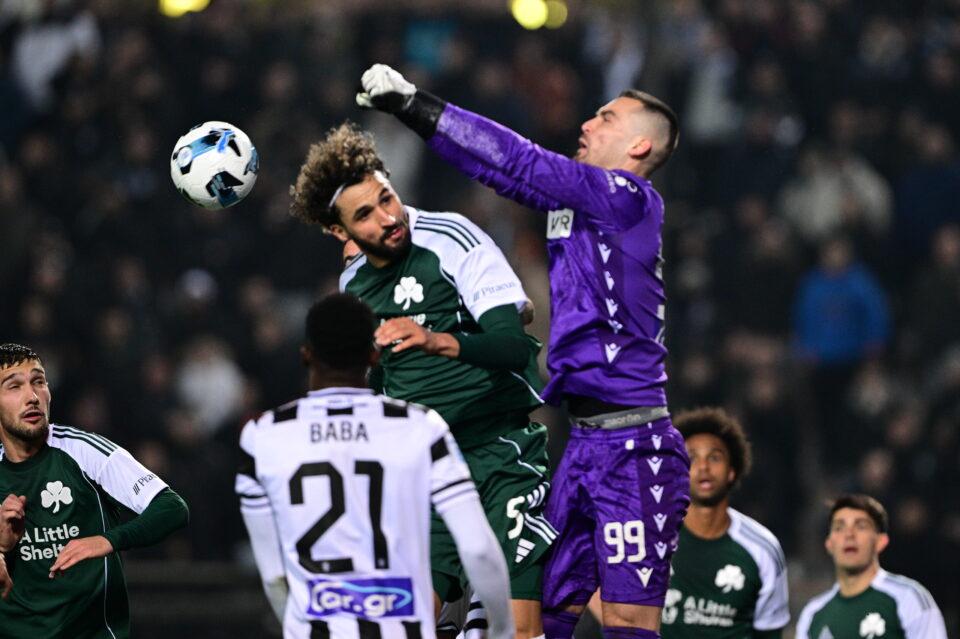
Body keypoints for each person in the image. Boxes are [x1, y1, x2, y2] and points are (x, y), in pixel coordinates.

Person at [357, 64, 690, 638]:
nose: (587, 123)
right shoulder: (580, 203)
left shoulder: (626, 197)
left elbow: (520, 159)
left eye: (606, 118)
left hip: (635, 447)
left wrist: (416, 102)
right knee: (538, 615)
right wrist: (415, 117)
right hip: (583, 443)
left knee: (627, 621)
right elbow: (499, 169)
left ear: (638, 145)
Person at [290, 123, 551, 639]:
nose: (388, 218)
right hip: (424, 470)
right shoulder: (353, 284)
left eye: (386, 198)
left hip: (498, 453)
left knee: (520, 630)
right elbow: (379, 382)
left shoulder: (452, 238)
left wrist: (436, 340)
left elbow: (515, 346)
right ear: (339, 232)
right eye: (365, 214)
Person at [236, 292, 514, 639]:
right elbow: (478, 549)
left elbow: (274, 577)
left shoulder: (262, 437)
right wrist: (502, 629)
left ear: (306, 354)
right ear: (374, 355)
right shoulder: (421, 428)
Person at [0, 343, 189, 638]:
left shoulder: (83, 450)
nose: (33, 396)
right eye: (15, 386)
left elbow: (172, 507)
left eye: (38, 382)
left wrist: (108, 540)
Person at [659, 407, 789, 638]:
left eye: (714, 457)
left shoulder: (763, 549)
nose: (703, 467)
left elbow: (770, 632)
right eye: (692, 458)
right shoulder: (650, 538)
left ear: (731, 471)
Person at [795, 494, 947, 639]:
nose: (849, 535)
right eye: (839, 527)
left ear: (880, 542)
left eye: (861, 526)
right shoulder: (812, 614)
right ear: (829, 544)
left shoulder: (909, 598)